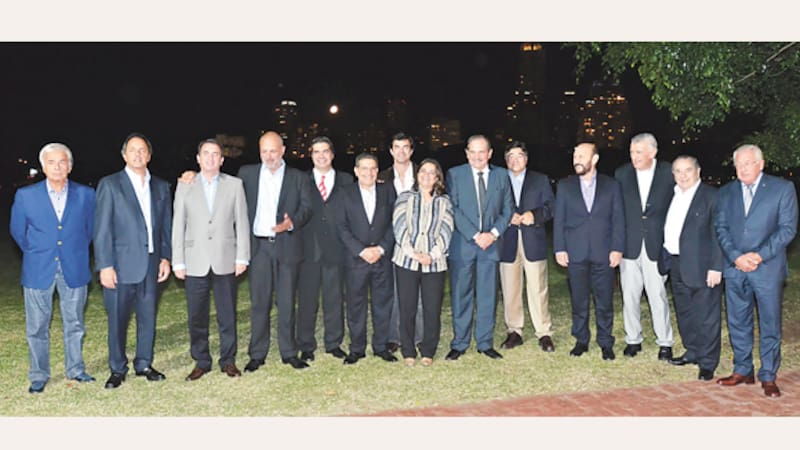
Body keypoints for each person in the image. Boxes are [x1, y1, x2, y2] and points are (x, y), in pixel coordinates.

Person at [10, 143, 96, 394]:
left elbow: (89, 230)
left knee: (75, 323)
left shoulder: (85, 195)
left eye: (62, 162)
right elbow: (18, 231)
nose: (57, 167)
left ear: (69, 165)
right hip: (39, 268)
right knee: (36, 327)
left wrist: (72, 249)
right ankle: (39, 374)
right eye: (52, 162)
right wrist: (38, 250)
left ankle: (76, 369)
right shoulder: (26, 196)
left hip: (74, 266)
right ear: (44, 166)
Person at [714, 144, 798, 398]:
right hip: (735, 268)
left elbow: (787, 229)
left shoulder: (782, 189)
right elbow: (720, 228)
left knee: (769, 322)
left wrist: (759, 255)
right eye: (738, 164)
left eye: (748, 163)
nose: (742, 168)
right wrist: (736, 257)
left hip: (767, 268)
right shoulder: (726, 191)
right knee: (738, 321)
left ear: (761, 164)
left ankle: (769, 375)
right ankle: (743, 370)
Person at [94, 132, 172, 389]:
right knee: (117, 319)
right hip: (120, 264)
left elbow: (165, 228)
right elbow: (102, 229)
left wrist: (165, 258)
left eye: (143, 150)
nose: (138, 154)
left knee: (147, 316)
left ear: (149, 155)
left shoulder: (161, 186)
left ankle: (144, 363)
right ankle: (117, 368)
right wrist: (104, 266)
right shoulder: (110, 184)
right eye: (133, 150)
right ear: (124, 154)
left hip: (151, 264)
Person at [172, 139, 250, 381]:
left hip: (225, 259)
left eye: (215, 154)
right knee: (197, 316)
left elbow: (242, 222)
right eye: (205, 154)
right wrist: (178, 260)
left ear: (222, 159)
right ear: (198, 158)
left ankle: (228, 360)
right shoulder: (185, 185)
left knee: (227, 314)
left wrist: (242, 256)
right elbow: (178, 224)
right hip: (195, 260)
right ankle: (202, 361)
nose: (210, 158)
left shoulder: (234, 185)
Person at [238, 131, 313, 371]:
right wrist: (191, 177)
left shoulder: (298, 177)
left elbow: (307, 207)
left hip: (287, 247)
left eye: (273, 151)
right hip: (259, 247)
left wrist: (292, 223)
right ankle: (257, 354)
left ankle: (289, 352)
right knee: (259, 303)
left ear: (283, 150)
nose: (269, 156)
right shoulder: (246, 174)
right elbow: (223, 190)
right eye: (264, 151)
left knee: (287, 302)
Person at [445, 134, 514, 361]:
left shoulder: (502, 176)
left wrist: (492, 235)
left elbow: (507, 209)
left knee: (487, 296)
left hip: (490, 247)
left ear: (490, 153)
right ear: (466, 153)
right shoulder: (455, 174)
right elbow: (453, 208)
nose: (477, 156)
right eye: (472, 152)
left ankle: (485, 343)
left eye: (481, 151)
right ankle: (460, 343)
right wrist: (476, 235)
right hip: (464, 246)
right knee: (461, 296)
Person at [553, 142, 624, 360]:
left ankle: (606, 342)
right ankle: (581, 340)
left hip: (604, 253)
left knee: (604, 301)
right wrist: (559, 248)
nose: (577, 159)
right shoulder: (565, 186)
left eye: (582, 155)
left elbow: (618, 219)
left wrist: (617, 248)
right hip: (575, 253)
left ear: (594, 159)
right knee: (579, 300)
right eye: (575, 155)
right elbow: (559, 220)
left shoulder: (611, 185)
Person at [662, 155, 723, 381]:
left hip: (703, 266)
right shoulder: (674, 194)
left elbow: (719, 234)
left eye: (687, 170)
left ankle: (707, 362)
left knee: (707, 315)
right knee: (685, 313)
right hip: (676, 262)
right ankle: (693, 351)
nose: (683, 175)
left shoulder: (711, 196)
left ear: (698, 171)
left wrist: (716, 267)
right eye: (678, 171)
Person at [615, 133, 675, 360]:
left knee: (657, 295)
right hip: (629, 245)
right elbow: (617, 212)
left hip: (656, 244)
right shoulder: (621, 174)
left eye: (639, 152)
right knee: (629, 295)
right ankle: (633, 340)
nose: (634, 156)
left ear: (653, 152)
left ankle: (665, 342)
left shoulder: (669, 173)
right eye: (631, 151)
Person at [392, 158, 454, 366]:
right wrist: (414, 254)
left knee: (431, 308)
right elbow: (399, 227)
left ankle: (428, 349)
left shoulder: (444, 202)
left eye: (432, 172)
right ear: (417, 175)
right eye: (423, 172)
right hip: (406, 261)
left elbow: (446, 230)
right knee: (407, 307)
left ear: (437, 178)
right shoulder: (404, 198)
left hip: (435, 264)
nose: (427, 176)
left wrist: (432, 255)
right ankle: (408, 350)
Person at [296, 136, 353, 362]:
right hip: (308, 251)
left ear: (332, 154)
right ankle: (306, 345)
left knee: (334, 299)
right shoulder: (300, 180)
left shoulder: (347, 179)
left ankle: (333, 343)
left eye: (325, 151)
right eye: (316, 152)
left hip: (337, 250)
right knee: (307, 301)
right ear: (311, 155)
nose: (321, 156)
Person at [337, 152, 397, 364]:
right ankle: (357, 348)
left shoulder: (387, 190)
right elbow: (342, 228)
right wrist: (361, 251)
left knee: (382, 304)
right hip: (356, 260)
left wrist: (381, 248)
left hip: (382, 258)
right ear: (356, 171)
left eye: (373, 168)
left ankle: (381, 347)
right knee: (355, 306)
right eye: (364, 168)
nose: (369, 172)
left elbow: (394, 223)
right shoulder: (345, 193)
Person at [498, 141, 556, 352]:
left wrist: (535, 215)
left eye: (519, 155)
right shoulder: (499, 180)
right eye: (511, 156)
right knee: (510, 289)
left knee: (538, 288)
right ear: (506, 161)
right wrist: (505, 218)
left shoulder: (539, 180)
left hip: (533, 239)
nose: (515, 159)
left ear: (526, 158)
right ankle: (515, 331)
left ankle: (544, 332)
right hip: (507, 241)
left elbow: (551, 206)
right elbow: (491, 209)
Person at [378, 132, 423, 354]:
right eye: (397, 147)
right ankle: (395, 335)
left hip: (421, 240)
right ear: (391, 150)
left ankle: (421, 336)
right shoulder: (382, 176)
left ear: (412, 150)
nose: (401, 151)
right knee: (394, 289)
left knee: (421, 289)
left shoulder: (424, 173)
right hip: (393, 239)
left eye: (406, 147)